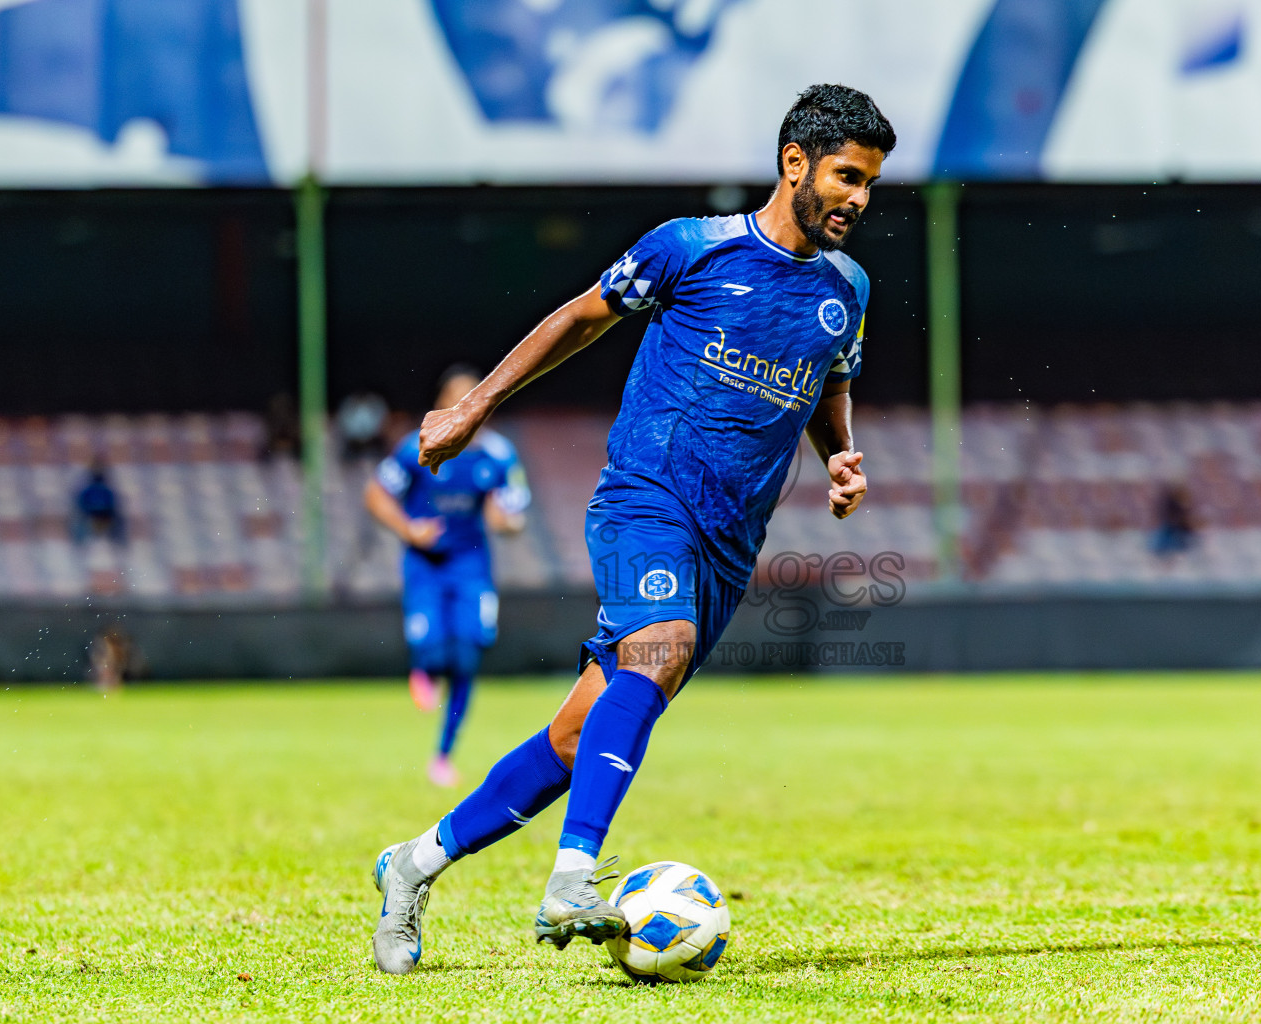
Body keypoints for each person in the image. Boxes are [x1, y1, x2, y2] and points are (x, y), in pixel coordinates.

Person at [369, 84, 893, 974]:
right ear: (794, 163)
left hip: (730, 544)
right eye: (847, 176)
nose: (860, 198)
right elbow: (577, 318)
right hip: (645, 500)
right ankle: (573, 877)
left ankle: (411, 866)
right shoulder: (690, 246)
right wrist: (474, 407)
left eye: (871, 183)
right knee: (662, 645)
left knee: (579, 736)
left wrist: (841, 456)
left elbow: (829, 384)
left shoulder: (848, 289)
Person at [364, 365, 530, 787]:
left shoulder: (499, 455)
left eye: (474, 400)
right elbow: (376, 493)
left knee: (468, 658)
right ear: (442, 404)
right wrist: (408, 530)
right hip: (425, 565)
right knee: (434, 650)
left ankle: (443, 755)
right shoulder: (416, 448)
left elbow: (515, 515)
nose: (466, 407)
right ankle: (424, 668)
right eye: (457, 399)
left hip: (471, 565)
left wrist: (505, 521)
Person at [72, 462, 126, 544]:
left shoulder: (105, 489)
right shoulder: (90, 489)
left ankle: (118, 540)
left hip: (103, 513)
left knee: (118, 519)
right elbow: (81, 503)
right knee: (78, 518)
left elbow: (112, 503)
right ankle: (80, 542)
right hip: (92, 513)